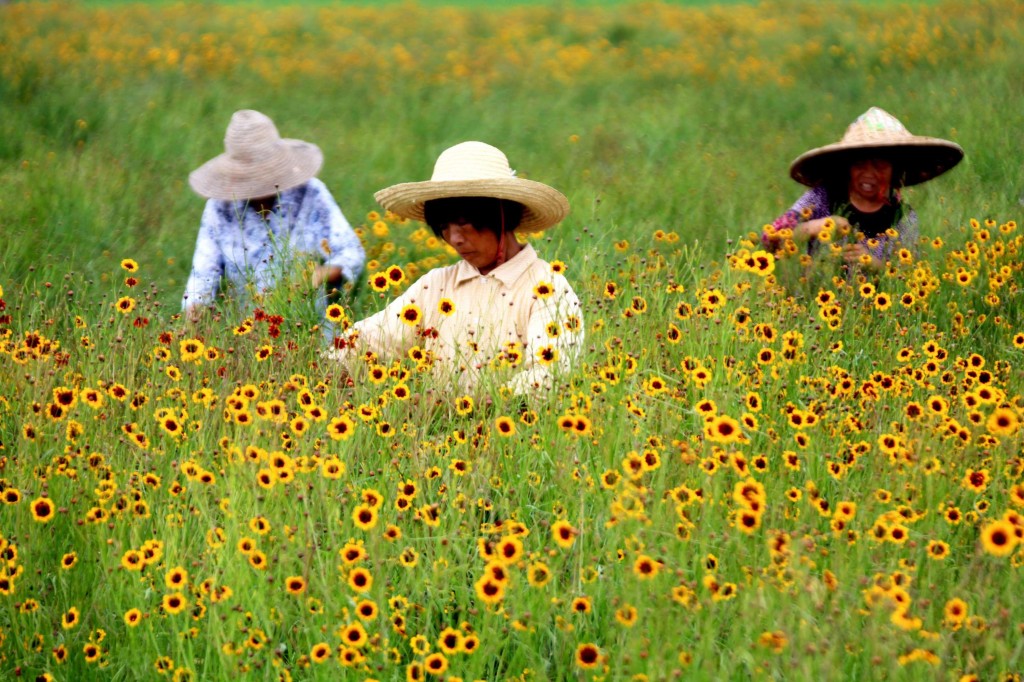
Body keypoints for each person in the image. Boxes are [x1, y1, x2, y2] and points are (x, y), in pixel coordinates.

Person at [325, 141, 583, 398]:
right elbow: (369, 341)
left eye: (464, 223)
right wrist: (319, 370)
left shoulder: (547, 288)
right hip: (435, 434)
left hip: (516, 434)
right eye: (444, 226)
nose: (455, 239)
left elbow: (550, 376)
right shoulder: (437, 285)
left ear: (502, 215)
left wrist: (460, 408)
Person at [182, 109, 365, 323]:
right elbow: (202, 277)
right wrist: (194, 318)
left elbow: (351, 252)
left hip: (308, 328)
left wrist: (316, 276)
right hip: (249, 335)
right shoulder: (220, 208)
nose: (259, 186)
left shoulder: (310, 194)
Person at [761, 107, 963, 270]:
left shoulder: (902, 217)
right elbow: (770, 241)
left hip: (876, 313)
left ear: (896, 170)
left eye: (879, 165)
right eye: (859, 164)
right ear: (847, 166)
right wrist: (814, 227)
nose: (869, 173)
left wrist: (872, 264)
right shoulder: (822, 197)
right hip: (813, 309)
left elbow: (910, 275)